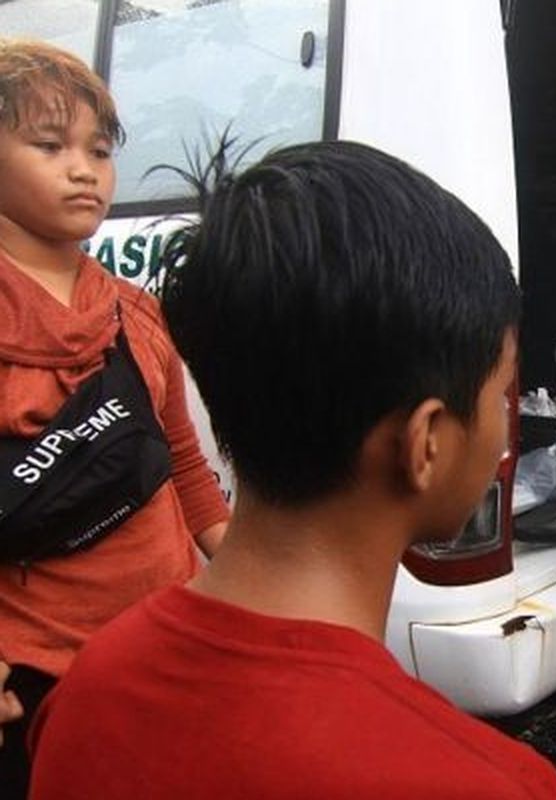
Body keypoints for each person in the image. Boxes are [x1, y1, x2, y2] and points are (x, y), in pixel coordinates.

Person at [27, 139, 556, 800]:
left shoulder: (87, 692)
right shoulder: (483, 782)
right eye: (500, 396)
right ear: (425, 442)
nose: (503, 435)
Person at [0, 38, 228, 798]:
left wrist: (254, 576)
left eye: (99, 151)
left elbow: (184, 467)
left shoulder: (136, 314)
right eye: (48, 145)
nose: (83, 169)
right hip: (32, 683)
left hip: (161, 652)